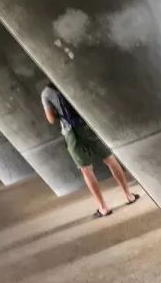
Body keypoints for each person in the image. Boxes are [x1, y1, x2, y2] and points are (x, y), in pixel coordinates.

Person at [41, 81, 138, 218]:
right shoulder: (68, 81)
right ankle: (128, 195)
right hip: (87, 126)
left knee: (86, 170)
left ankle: (103, 208)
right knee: (110, 159)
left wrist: (56, 112)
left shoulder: (46, 93)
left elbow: (50, 119)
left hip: (71, 133)